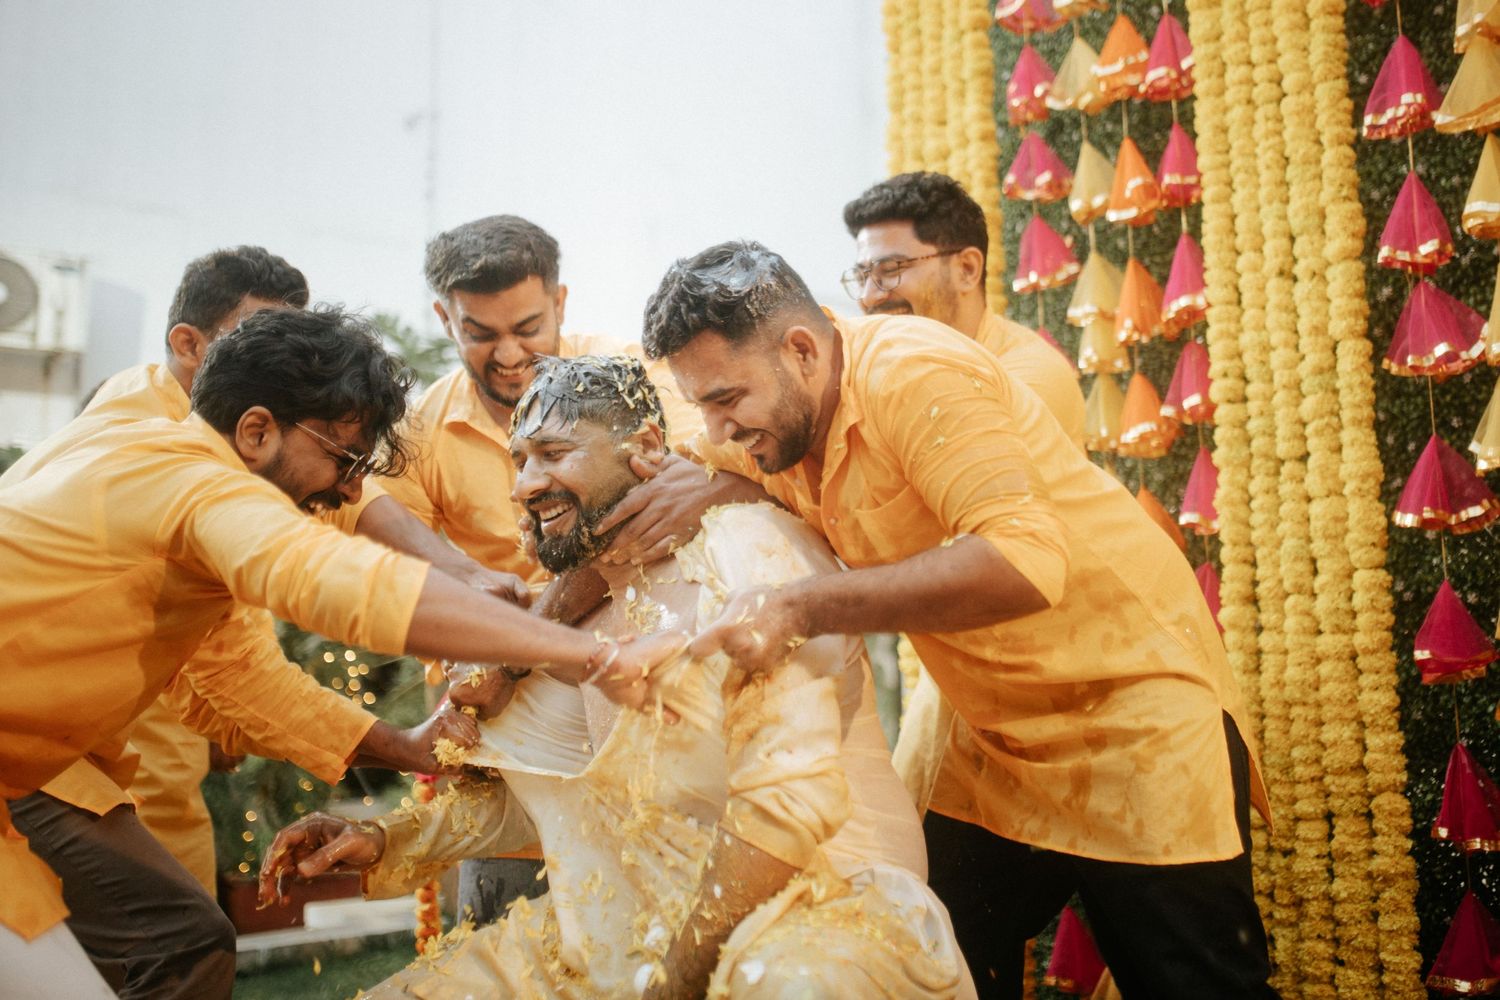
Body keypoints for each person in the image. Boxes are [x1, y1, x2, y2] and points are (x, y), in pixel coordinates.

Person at [610, 240, 1276, 1000]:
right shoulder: (771, 424)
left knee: (1193, 982)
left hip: (1132, 701)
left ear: (801, 351)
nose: (720, 429)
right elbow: (672, 473)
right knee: (929, 959)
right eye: (704, 407)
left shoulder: (912, 371)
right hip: (991, 730)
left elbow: (1023, 561)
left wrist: (797, 606)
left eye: (727, 401)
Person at [0, 308, 680, 998]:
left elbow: (241, 682)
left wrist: (405, 746)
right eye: (346, 460)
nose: (351, 492)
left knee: (184, 940)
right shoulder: (191, 486)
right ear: (256, 431)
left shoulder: (142, 447)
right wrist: (583, 654)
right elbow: (335, 579)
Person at [259, 355, 973, 999]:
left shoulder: (749, 561)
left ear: (648, 452)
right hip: (627, 927)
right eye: (518, 460)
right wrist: (387, 839)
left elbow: (788, 810)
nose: (526, 486)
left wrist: (672, 983)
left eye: (552, 454)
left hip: (820, 913)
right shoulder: (572, 612)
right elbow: (575, 791)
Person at [342, 214, 705, 921]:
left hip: (632, 695)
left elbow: (656, 523)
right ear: (446, 318)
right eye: (481, 334)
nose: (510, 355)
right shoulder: (416, 436)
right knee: (507, 920)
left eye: (529, 328)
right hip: (496, 730)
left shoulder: (626, 382)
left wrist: (518, 649)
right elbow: (392, 574)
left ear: (561, 304)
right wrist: (477, 622)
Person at [842, 172, 1088, 828]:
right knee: (943, 913)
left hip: (1080, 689)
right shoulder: (886, 382)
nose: (872, 296)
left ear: (967, 268)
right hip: (966, 700)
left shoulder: (1029, 378)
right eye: (861, 275)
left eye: (891, 270)